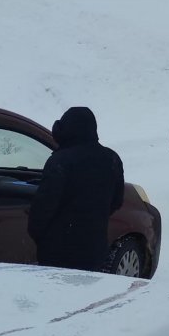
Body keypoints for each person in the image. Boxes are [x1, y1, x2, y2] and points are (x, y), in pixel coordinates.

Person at [28, 107, 124, 272]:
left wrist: (41, 236)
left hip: (57, 253)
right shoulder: (111, 159)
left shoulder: (60, 162)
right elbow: (117, 200)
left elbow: (43, 208)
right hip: (94, 249)